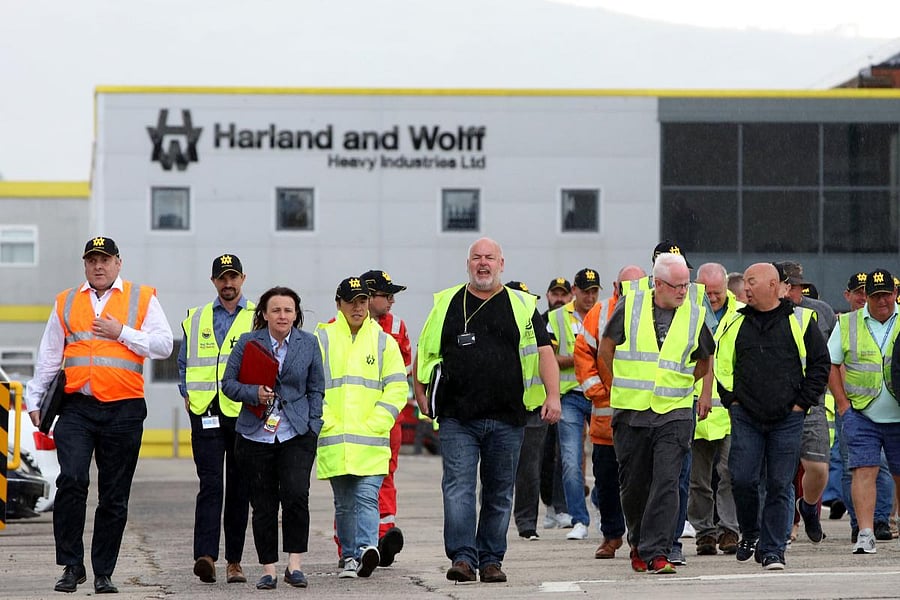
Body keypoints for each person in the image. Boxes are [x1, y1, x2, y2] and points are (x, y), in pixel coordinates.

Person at [24, 236, 174, 594]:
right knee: (72, 481)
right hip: (76, 407)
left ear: (118, 263)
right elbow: (49, 354)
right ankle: (71, 565)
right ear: (85, 265)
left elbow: (164, 344)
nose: (98, 266)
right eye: (92, 260)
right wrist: (34, 397)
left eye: (105, 259)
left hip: (124, 409)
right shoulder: (66, 301)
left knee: (114, 495)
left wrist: (120, 332)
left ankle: (104, 570)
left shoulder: (142, 297)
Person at [414, 237, 561, 584]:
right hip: (457, 418)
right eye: (477, 258)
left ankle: (492, 559)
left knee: (498, 492)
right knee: (458, 488)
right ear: (468, 264)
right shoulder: (447, 302)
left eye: (489, 258)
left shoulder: (522, 305)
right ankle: (463, 558)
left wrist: (553, 395)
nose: (483, 263)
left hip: (508, 417)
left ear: (501, 264)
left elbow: (544, 352)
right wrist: (420, 392)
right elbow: (425, 348)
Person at [600, 252, 714, 574]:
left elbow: (706, 359)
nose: (682, 291)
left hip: (674, 413)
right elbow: (605, 348)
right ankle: (638, 542)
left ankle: (659, 552)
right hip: (631, 412)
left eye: (685, 285)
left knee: (667, 482)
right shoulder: (631, 306)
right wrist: (615, 386)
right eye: (676, 286)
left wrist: (681, 385)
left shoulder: (693, 312)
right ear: (657, 283)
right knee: (634, 485)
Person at [716, 263, 830, 570]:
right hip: (746, 417)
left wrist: (801, 405)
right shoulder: (734, 323)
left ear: (772, 285)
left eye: (752, 282)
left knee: (780, 484)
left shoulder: (803, 321)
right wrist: (733, 402)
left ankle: (772, 550)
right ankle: (750, 532)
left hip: (788, 419)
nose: (746, 288)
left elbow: (820, 365)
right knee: (741, 478)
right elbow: (722, 366)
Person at [221, 286, 325, 590]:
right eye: (276, 310)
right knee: (263, 503)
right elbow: (228, 384)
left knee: (295, 495)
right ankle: (268, 568)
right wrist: (254, 393)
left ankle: (295, 564)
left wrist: (313, 423)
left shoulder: (308, 343)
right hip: (255, 434)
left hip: (296, 431)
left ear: (296, 314)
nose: (282, 315)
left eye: (288, 310)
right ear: (264, 314)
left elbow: (317, 387)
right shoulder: (247, 342)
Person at [316, 277, 408, 579]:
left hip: (371, 438)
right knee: (344, 504)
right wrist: (325, 421)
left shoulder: (382, 341)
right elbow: (312, 386)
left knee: (368, 497)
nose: (358, 307)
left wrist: (378, 422)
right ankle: (348, 556)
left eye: (363, 301)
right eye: (352, 301)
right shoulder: (323, 338)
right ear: (339, 304)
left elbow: (396, 387)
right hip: (335, 439)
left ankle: (367, 549)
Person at [179, 254, 254, 585]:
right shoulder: (196, 318)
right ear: (213, 281)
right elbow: (184, 362)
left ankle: (234, 561)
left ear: (242, 279)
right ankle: (205, 556)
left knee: (239, 489)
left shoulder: (256, 318)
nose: (228, 283)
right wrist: (187, 394)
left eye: (233, 277)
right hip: (205, 411)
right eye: (222, 278)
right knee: (210, 485)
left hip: (243, 415)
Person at [573, 266, 645, 559]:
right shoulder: (600, 313)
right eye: (624, 287)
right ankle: (612, 535)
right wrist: (600, 391)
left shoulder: (654, 312)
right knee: (606, 482)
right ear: (616, 286)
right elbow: (583, 354)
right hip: (606, 418)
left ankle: (639, 539)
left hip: (641, 414)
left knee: (639, 482)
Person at [830, 269, 900, 554]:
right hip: (862, 412)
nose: (882, 301)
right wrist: (844, 405)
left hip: (898, 412)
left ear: (895, 293)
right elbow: (831, 364)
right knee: (863, 470)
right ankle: (866, 532)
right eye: (875, 296)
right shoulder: (847, 323)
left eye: (886, 294)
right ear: (866, 297)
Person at [774, 260, 835, 544]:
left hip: (811, 403)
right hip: (773, 406)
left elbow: (829, 360)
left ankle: (809, 507)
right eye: (789, 286)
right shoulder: (755, 315)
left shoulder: (820, 313)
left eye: (797, 286)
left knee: (818, 468)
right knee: (779, 473)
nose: (793, 292)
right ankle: (782, 530)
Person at [359, 269, 411, 567]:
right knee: (354, 480)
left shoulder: (397, 327)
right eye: (386, 295)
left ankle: (384, 535)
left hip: (389, 418)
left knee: (386, 474)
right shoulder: (340, 326)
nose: (391, 301)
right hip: (355, 417)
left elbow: (402, 372)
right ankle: (356, 544)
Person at [688, 263, 740, 556]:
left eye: (717, 292)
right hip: (695, 409)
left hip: (730, 410)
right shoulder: (688, 313)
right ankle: (704, 533)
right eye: (706, 292)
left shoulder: (740, 314)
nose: (712, 298)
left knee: (729, 474)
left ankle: (729, 530)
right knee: (698, 480)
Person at [549, 268, 602, 541]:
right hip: (570, 395)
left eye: (595, 291)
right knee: (571, 460)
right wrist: (578, 358)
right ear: (574, 291)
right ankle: (579, 519)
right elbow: (548, 356)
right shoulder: (556, 318)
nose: (590, 297)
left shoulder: (605, 313)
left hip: (600, 394)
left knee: (607, 458)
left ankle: (604, 509)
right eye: (585, 291)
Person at [505, 281, 552, 541]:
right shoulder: (499, 325)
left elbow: (547, 359)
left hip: (533, 408)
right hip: (503, 408)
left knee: (529, 470)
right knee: (498, 467)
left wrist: (552, 397)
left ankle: (527, 524)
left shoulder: (536, 325)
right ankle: (490, 514)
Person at [540, 277, 574, 531]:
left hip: (571, 396)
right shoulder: (542, 321)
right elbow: (548, 357)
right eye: (555, 294)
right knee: (544, 457)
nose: (559, 299)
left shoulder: (574, 321)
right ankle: (550, 505)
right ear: (548, 295)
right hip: (541, 398)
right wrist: (577, 358)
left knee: (566, 457)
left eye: (563, 294)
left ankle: (562, 507)